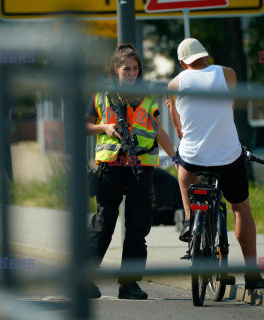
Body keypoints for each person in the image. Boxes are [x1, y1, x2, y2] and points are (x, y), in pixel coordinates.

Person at [166, 38, 264, 289]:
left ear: (182, 63)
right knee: (240, 208)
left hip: (193, 158)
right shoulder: (228, 74)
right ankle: (252, 275)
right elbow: (229, 109)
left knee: (183, 172)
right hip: (227, 156)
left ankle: (190, 220)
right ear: (205, 55)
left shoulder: (174, 84)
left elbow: (178, 129)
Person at [85, 43, 176, 299]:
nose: (132, 73)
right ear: (116, 70)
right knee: (103, 225)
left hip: (141, 169)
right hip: (111, 168)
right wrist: (104, 128)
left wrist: (176, 157)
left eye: (136, 68)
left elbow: (158, 129)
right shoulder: (101, 94)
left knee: (138, 228)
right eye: (127, 68)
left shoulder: (147, 96)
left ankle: (129, 284)